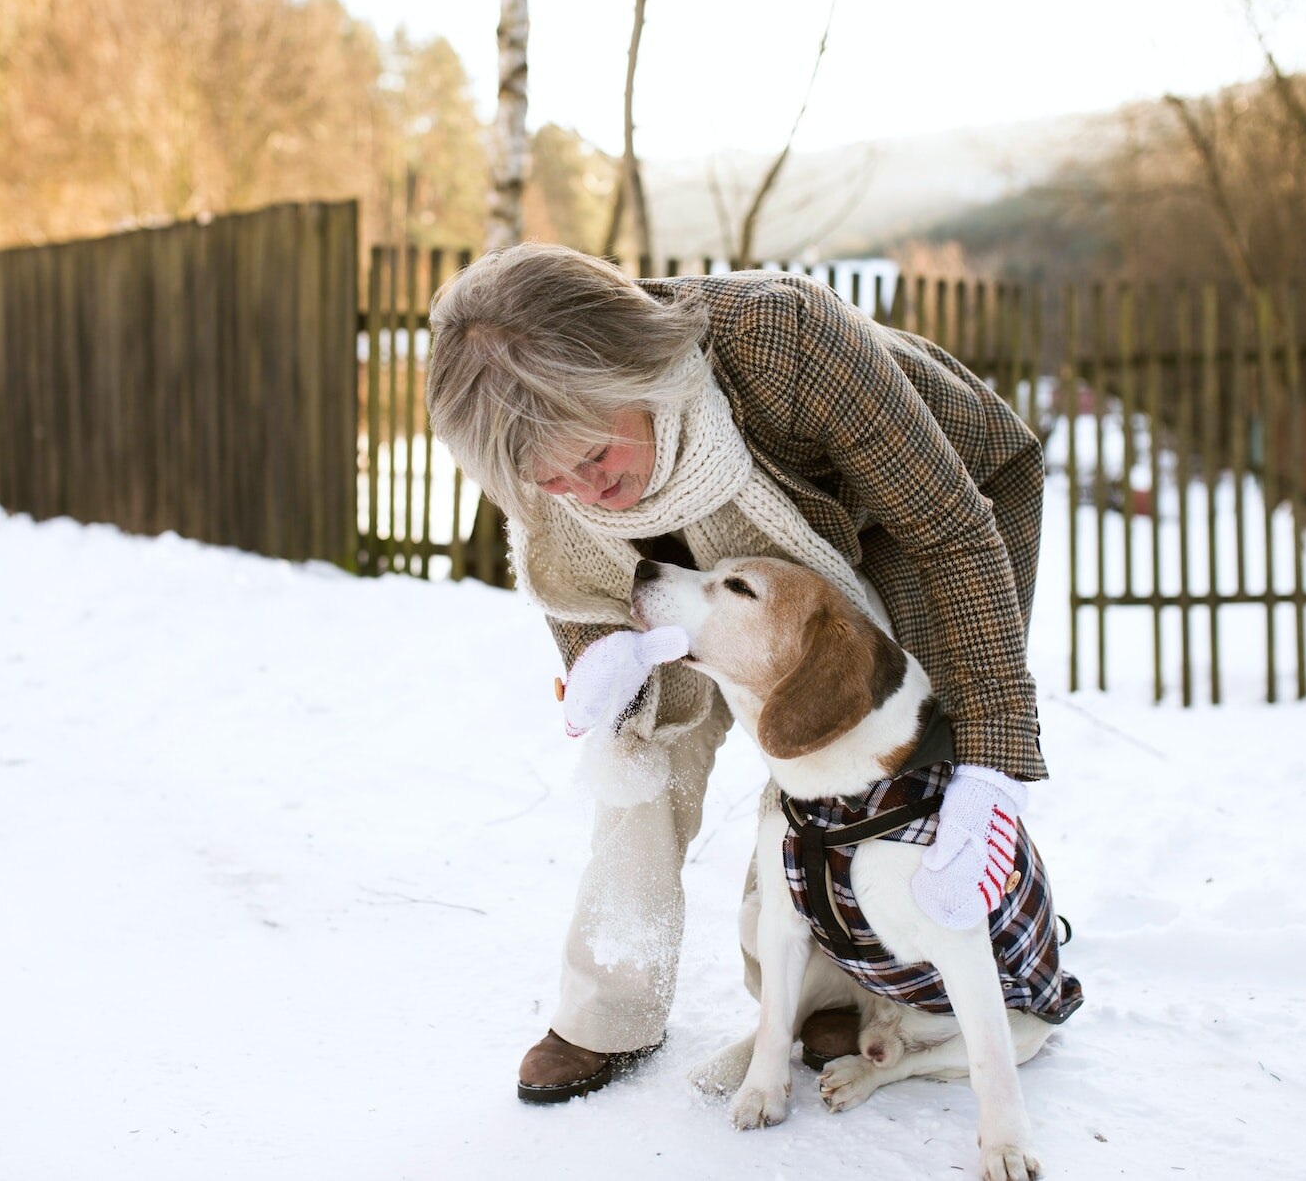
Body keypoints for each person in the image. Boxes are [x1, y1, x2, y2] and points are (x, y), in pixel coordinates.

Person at [423, 244, 1048, 1104]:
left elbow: (950, 531)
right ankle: (609, 1008)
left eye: (595, 457)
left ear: (631, 372)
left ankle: (829, 992)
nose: (584, 489)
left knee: (838, 749)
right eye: (550, 477)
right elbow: (577, 586)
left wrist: (991, 762)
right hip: (701, 564)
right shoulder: (530, 449)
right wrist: (607, 681)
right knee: (643, 745)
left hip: (913, 525)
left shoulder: (782, 339)